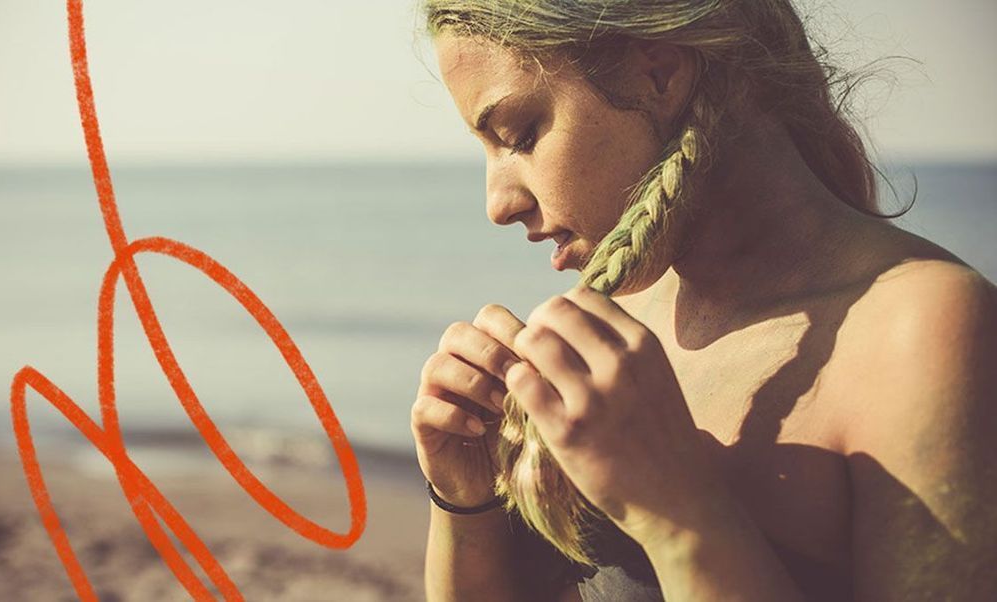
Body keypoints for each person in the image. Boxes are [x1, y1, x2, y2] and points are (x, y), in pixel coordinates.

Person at [408, 1, 997, 600]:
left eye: (520, 136)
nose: (498, 204)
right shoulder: (619, 331)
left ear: (658, 74)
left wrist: (677, 514)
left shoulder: (926, 332)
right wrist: (465, 500)